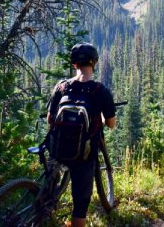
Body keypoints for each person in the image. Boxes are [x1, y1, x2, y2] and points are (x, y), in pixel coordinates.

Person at [46, 43, 116, 227]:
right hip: (83, 156)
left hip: (57, 150)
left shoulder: (61, 87)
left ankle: (41, 211)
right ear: (94, 63)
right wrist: (99, 119)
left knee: (47, 191)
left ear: (75, 64)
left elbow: (49, 119)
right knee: (80, 204)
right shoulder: (100, 91)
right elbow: (111, 124)